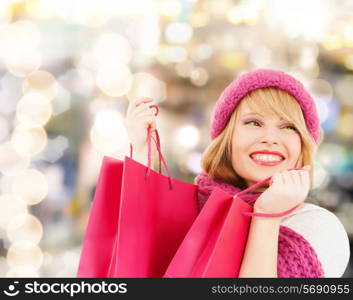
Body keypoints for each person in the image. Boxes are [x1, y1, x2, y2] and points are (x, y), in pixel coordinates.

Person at [124, 68, 350, 278]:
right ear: (227, 138)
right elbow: (136, 262)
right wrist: (141, 152)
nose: (270, 138)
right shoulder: (192, 209)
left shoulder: (318, 227)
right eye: (254, 122)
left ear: (303, 144)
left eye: (288, 127)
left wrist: (266, 216)